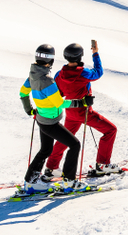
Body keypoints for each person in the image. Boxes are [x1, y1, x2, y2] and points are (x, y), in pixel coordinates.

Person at [43, 39, 119, 178]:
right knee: (110, 130)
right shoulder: (83, 73)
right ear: (80, 56)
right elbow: (98, 72)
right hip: (84, 112)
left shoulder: (59, 74)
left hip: (70, 112)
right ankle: (103, 164)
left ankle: (51, 167)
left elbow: (58, 94)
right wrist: (95, 54)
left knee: (65, 139)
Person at [19, 44, 81, 188]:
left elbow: (23, 93)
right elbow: (60, 103)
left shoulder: (33, 76)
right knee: (74, 145)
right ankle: (70, 182)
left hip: (42, 119)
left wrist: (29, 110)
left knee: (46, 150)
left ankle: (30, 182)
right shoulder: (47, 80)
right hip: (50, 123)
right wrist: (80, 102)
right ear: (51, 61)